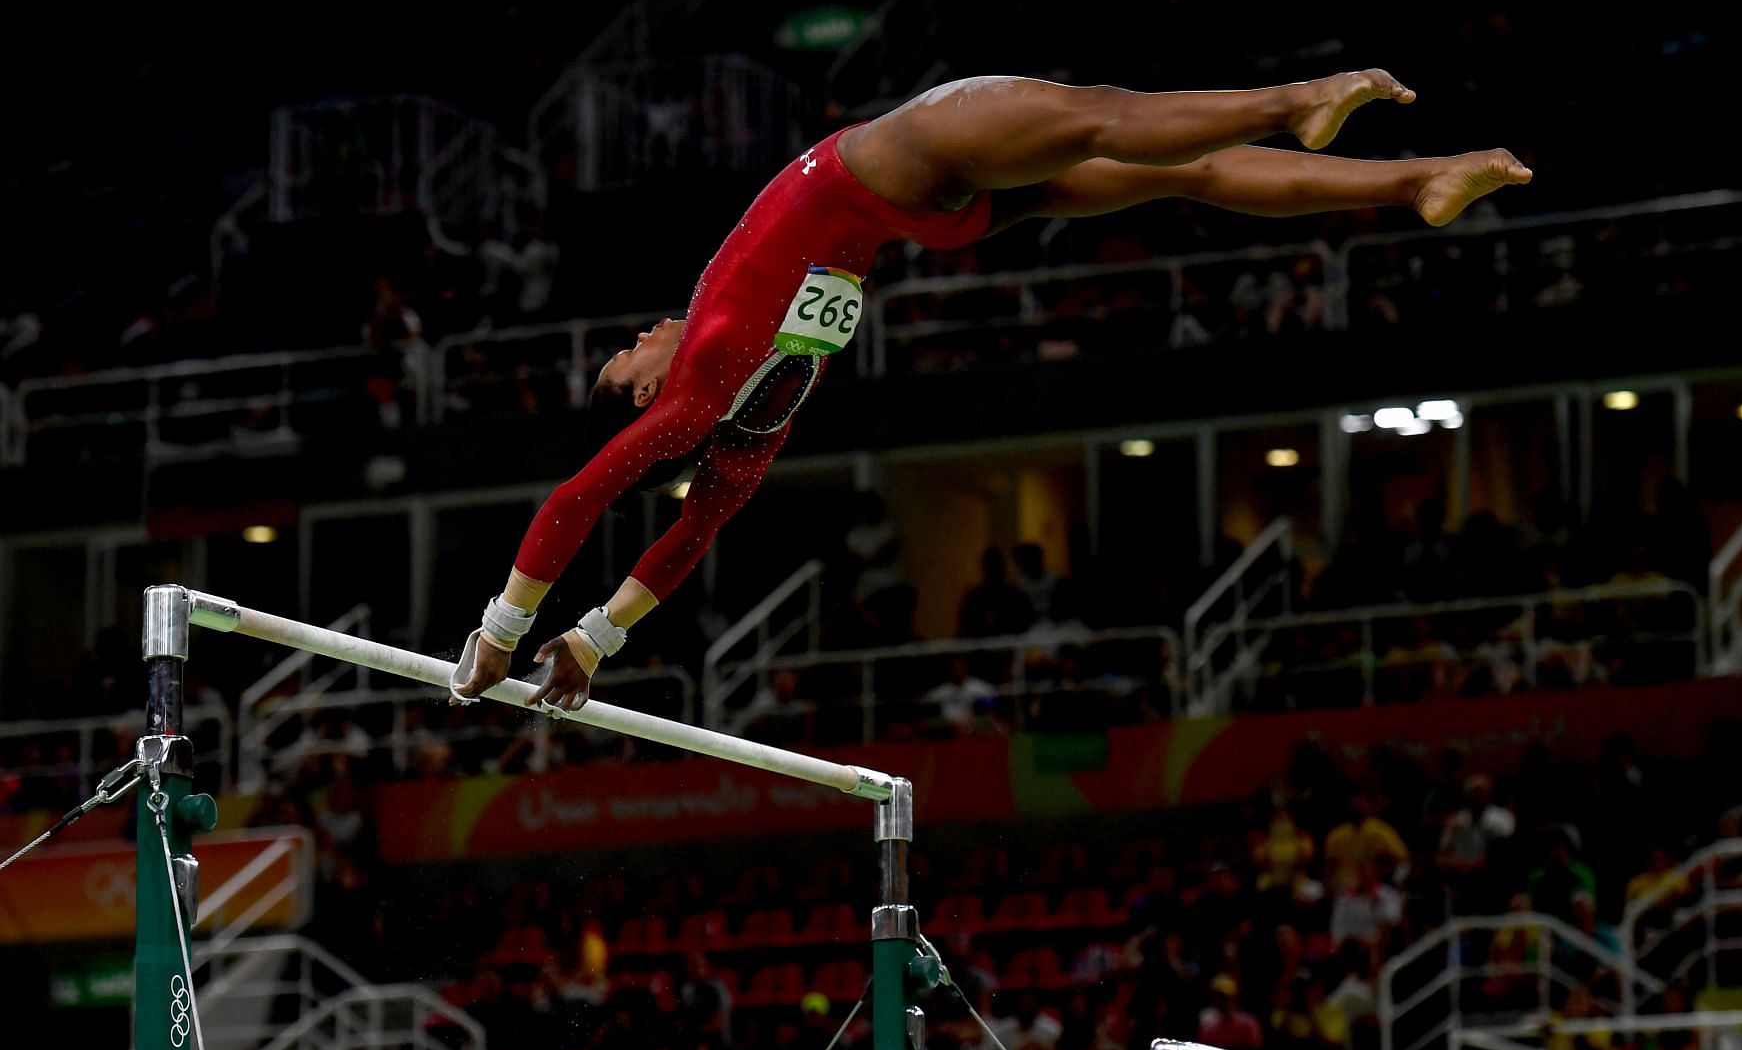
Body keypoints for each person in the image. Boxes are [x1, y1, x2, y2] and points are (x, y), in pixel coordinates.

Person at [451, 71, 1531, 709]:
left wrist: (595, 637)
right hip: (892, 164)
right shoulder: (697, 392)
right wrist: (502, 629)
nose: (638, 335)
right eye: (621, 359)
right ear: (642, 402)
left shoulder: (745, 424)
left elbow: (682, 542)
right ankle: (1298, 99)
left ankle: (1414, 179)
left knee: (1178, 177)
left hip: (925, 219)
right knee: (1107, 116)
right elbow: (578, 501)